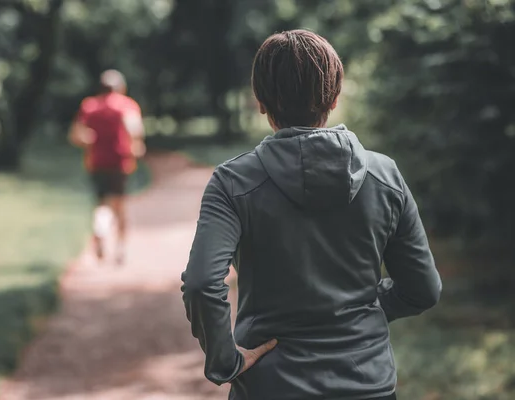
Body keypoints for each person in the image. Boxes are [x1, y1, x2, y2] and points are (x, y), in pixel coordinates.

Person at [181, 30, 442, 400]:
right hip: (368, 385)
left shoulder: (233, 182)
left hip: (272, 386)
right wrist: (364, 311)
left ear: (260, 101)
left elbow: (201, 284)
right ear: (334, 98)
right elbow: (423, 289)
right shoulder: (385, 176)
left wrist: (226, 361)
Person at [69, 69, 145, 264]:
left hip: (96, 162)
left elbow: (75, 135)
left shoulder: (89, 106)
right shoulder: (126, 106)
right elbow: (134, 130)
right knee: (119, 206)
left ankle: (99, 229)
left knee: (102, 203)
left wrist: (88, 141)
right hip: (120, 162)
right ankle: (121, 250)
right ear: (121, 87)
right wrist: (136, 146)